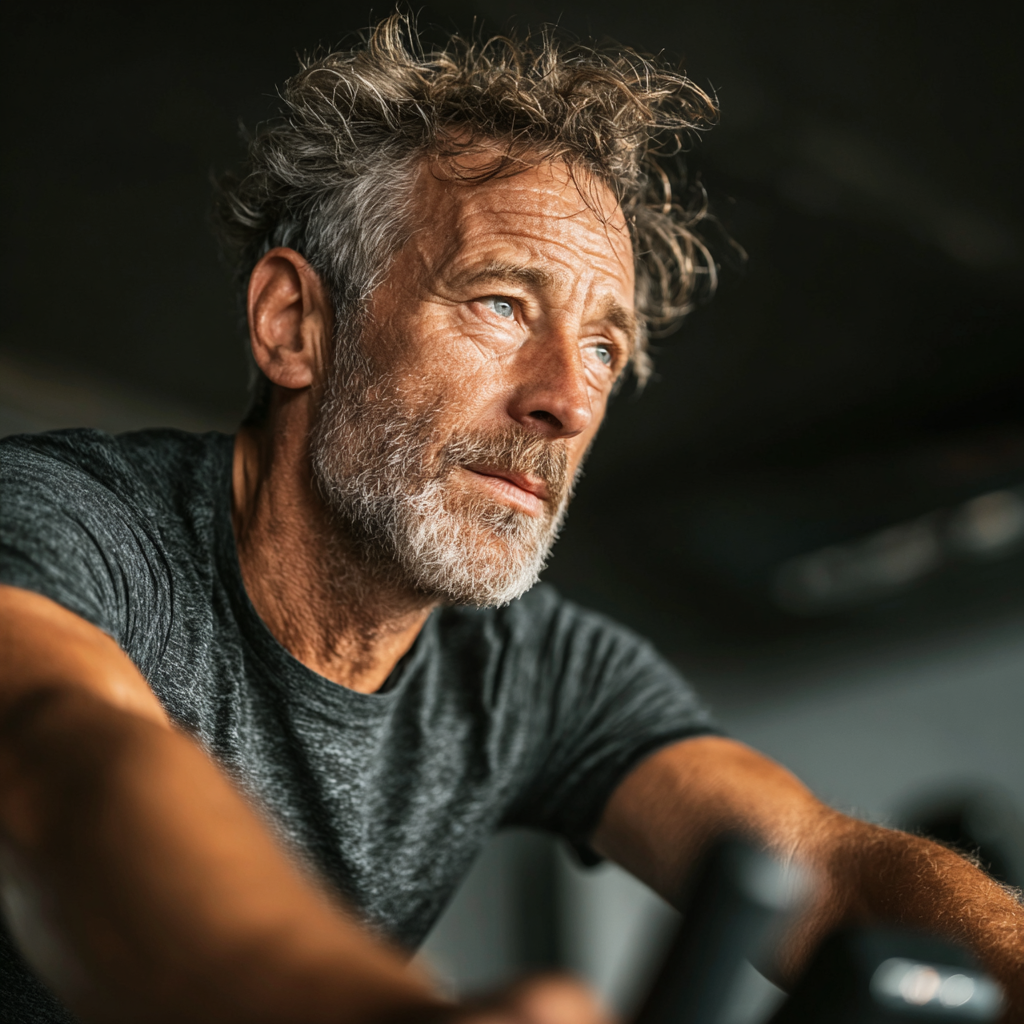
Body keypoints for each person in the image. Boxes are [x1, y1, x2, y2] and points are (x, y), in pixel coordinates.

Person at [1, 16, 1021, 1024]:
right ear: (295, 323)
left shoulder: (531, 667)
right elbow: (64, 752)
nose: (567, 403)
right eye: (500, 304)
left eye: (603, 351)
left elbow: (827, 868)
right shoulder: (65, 524)